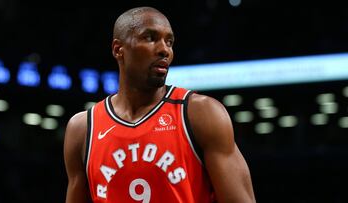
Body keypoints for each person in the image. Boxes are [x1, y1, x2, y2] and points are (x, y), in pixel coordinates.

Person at [64, 6, 256, 203]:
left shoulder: (200, 113)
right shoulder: (83, 129)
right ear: (118, 49)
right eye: (150, 38)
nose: (164, 49)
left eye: (169, 41)